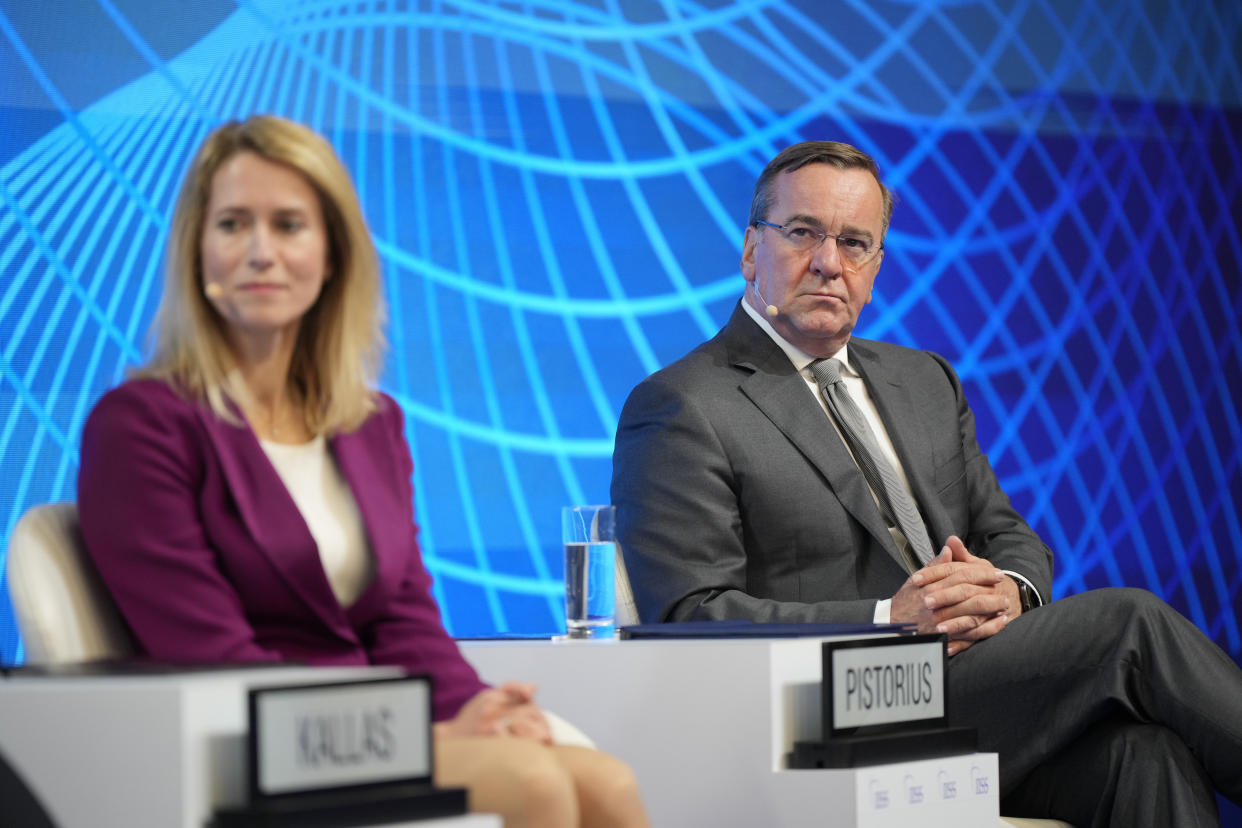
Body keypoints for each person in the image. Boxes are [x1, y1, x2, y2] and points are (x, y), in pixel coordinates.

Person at [610, 140, 1242, 826]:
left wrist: (1010, 590)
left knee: (1144, 755)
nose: (828, 261)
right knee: (1130, 623)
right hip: (825, 710)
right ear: (748, 249)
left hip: (968, 688)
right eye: (802, 233)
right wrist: (891, 621)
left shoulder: (924, 381)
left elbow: (1006, 533)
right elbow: (689, 617)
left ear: (876, 266)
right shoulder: (684, 404)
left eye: (855, 242)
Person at [78, 114, 647, 828]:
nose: (260, 251)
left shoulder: (371, 422)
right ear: (197, 250)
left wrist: (477, 707)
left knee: (610, 784)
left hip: (374, 728)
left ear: (333, 253)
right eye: (231, 224)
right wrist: (415, 734)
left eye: (289, 225)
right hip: (254, 745)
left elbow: (402, 615)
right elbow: (211, 655)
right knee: (534, 786)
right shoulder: (140, 424)